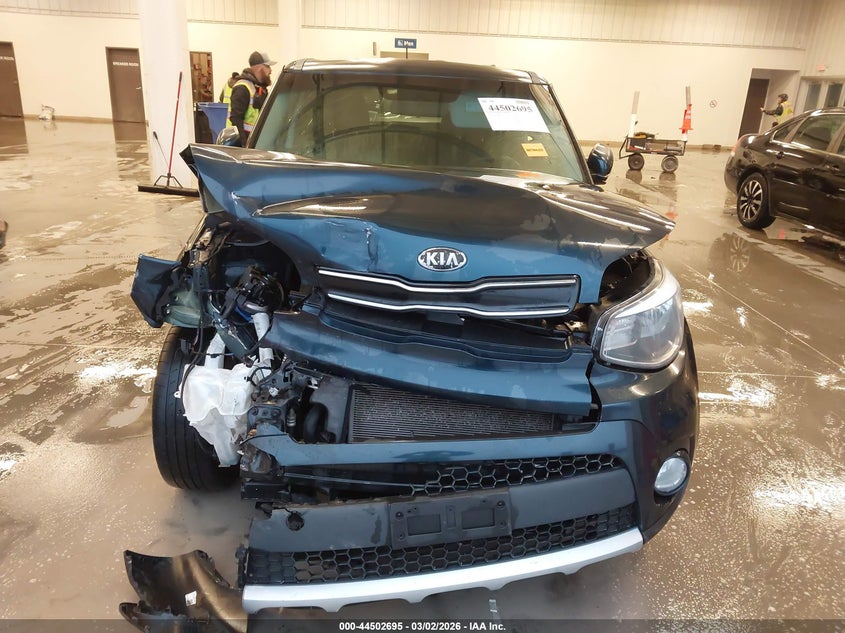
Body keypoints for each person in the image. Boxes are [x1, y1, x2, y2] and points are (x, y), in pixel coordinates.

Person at [227, 51, 276, 145]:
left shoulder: (258, 87)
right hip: (243, 145)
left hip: (256, 144)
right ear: (258, 68)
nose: (270, 71)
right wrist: (244, 146)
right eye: (267, 66)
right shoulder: (242, 88)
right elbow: (236, 120)